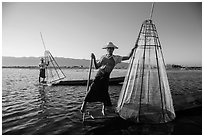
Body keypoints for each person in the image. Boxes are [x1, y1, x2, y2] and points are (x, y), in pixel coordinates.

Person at [80, 42, 136, 116]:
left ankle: (103, 110)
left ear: (113, 49)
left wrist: (133, 49)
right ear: (106, 49)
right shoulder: (103, 57)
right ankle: (83, 106)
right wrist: (94, 58)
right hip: (99, 75)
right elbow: (97, 67)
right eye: (109, 48)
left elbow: (128, 57)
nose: (110, 50)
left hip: (106, 77)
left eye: (111, 48)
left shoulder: (116, 58)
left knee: (105, 93)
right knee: (91, 89)